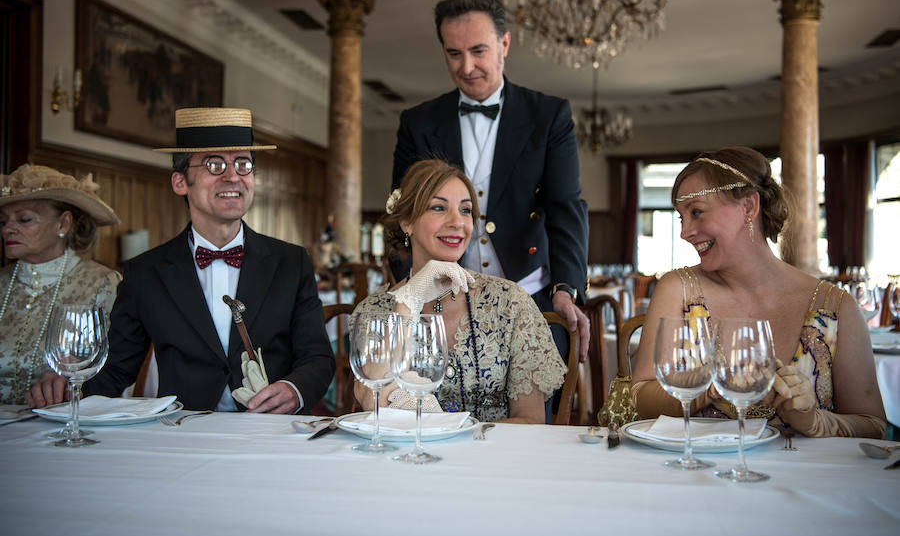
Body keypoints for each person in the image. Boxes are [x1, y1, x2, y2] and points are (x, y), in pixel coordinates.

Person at [27, 107, 335, 414]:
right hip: (181, 432)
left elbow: (318, 357)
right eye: (215, 165)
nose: (233, 176)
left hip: (271, 433)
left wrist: (296, 390)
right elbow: (117, 369)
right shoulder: (144, 273)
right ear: (180, 182)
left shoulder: (292, 262)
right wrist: (69, 387)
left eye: (243, 164)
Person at [391, 0, 589, 393]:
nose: (467, 67)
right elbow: (404, 210)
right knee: (428, 412)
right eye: (454, 53)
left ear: (504, 44)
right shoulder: (418, 121)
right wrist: (405, 289)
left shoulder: (549, 115)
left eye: (478, 51)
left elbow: (566, 206)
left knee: (531, 424)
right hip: (439, 302)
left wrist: (566, 289)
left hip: (529, 298)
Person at [631, 146, 885, 438]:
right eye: (681, 217)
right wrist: (712, 383)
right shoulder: (678, 290)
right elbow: (640, 397)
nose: (685, 232)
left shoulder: (836, 308)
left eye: (697, 212)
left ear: (749, 207)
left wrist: (816, 422)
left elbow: (875, 427)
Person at [354, 159, 566, 424]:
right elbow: (372, 401)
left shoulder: (509, 303)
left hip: (492, 461)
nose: (458, 222)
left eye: (465, 211)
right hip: (408, 462)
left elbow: (530, 421)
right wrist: (410, 299)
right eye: (439, 208)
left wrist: (456, 440)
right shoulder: (374, 311)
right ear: (407, 222)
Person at [0, 165, 120, 404]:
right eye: (2, 221)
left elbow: (116, 366)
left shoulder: (102, 283)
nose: (8, 229)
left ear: (63, 224)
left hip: (63, 424)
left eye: (24, 219)